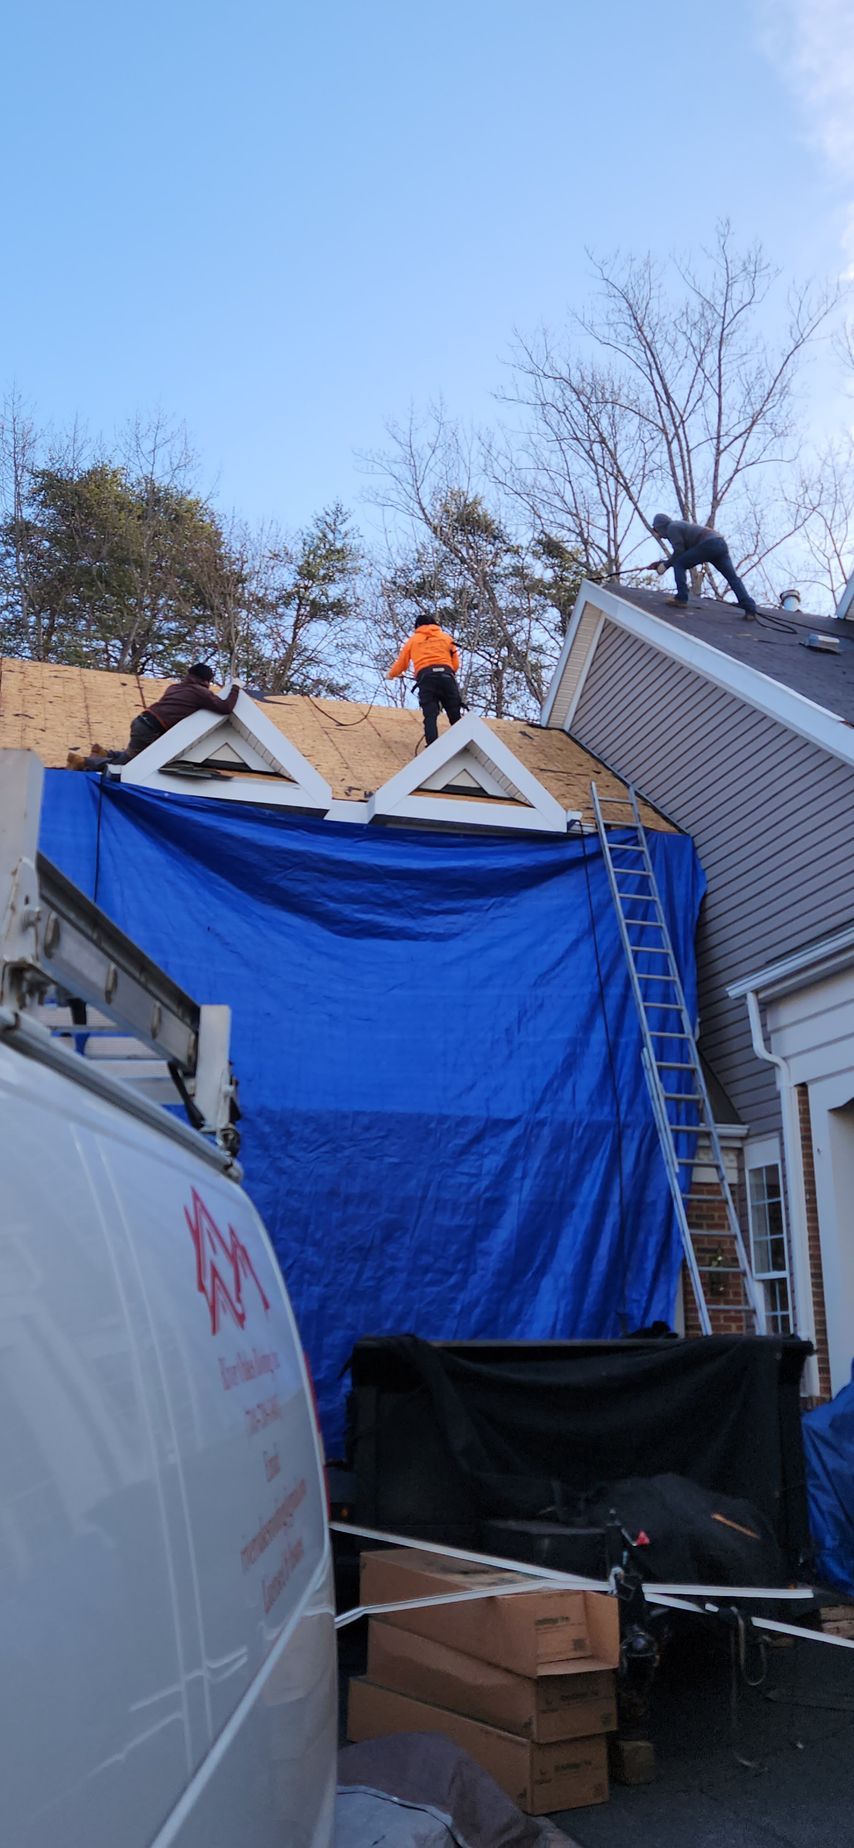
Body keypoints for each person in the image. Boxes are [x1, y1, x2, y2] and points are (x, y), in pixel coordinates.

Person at [68, 664, 240, 770]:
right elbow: (225, 708)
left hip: (142, 721)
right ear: (206, 680)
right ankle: (83, 762)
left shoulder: (175, 688)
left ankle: (105, 753)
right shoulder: (201, 692)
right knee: (134, 764)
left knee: (133, 754)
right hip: (152, 727)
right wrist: (236, 688)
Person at [650, 514, 757, 617]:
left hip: (708, 544)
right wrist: (662, 563)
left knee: (679, 564)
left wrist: (666, 566)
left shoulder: (672, 528)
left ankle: (681, 599)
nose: (657, 534)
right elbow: (685, 554)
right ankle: (749, 607)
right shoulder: (679, 525)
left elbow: (679, 553)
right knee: (732, 577)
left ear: (660, 526)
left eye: (655, 530)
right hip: (719, 543)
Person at [387, 615, 463, 746]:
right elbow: (455, 664)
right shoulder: (446, 638)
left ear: (417, 627)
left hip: (427, 678)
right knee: (454, 712)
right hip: (446, 676)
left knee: (430, 714)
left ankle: (433, 746)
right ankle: (464, 743)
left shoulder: (413, 640)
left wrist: (391, 675)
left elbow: (402, 664)